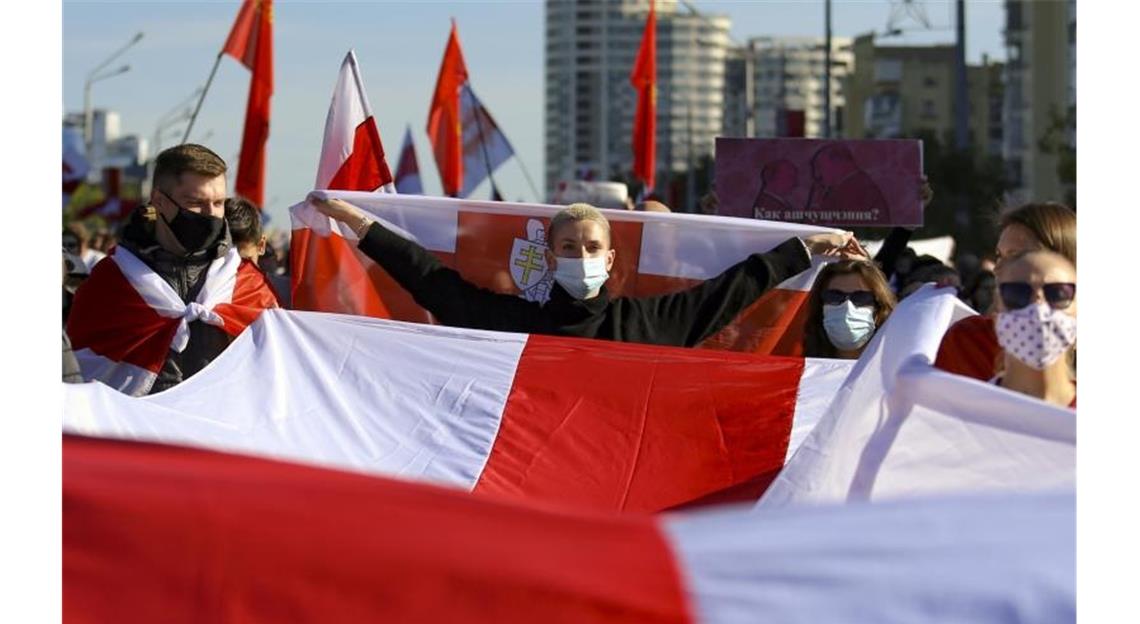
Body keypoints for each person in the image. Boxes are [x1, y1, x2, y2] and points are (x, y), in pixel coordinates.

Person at [308, 195, 865, 347]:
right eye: (569, 246)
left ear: (611, 257)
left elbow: (732, 289)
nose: (581, 255)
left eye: (591, 245)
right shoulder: (511, 322)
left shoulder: (649, 324)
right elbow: (431, 280)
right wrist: (360, 221)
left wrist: (808, 246)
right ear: (549, 258)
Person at [66, 144, 279, 395]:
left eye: (219, 203)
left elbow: (274, 369)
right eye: (195, 202)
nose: (211, 214)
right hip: (138, 427)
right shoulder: (111, 281)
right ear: (159, 201)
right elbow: (80, 374)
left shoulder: (249, 284)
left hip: (222, 428)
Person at [935, 202, 1076, 381]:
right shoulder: (968, 341)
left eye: (1016, 256)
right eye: (999, 256)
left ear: (1065, 264)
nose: (998, 268)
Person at [990, 249, 1076, 408]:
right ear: (997, 310)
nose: (1038, 304)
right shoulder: (961, 414)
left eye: (1058, 293)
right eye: (1016, 293)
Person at [803, 259, 896, 359]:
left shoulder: (898, 370)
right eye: (834, 296)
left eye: (861, 297)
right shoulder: (801, 368)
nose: (847, 306)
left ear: (879, 308)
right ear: (820, 307)